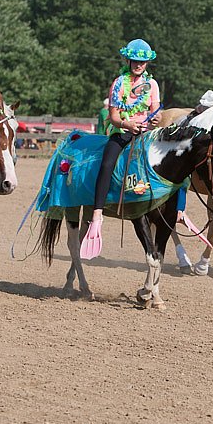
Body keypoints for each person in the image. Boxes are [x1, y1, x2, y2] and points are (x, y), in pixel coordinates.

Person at [80, 39, 161, 259]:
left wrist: (155, 120)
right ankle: (97, 213)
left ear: (147, 64)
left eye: (143, 62)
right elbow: (114, 116)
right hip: (123, 131)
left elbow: (156, 110)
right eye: (136, 61)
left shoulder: (152, 85)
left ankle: (177, 209)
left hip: (146, 133)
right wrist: (128, 124)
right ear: (129, 60)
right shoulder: (119, 83)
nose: (139, 65)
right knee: (106, 165)